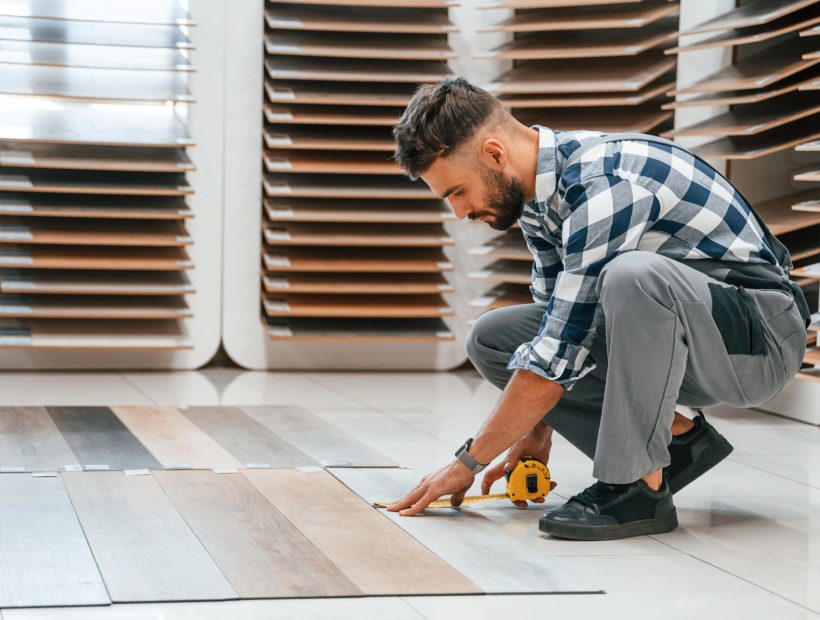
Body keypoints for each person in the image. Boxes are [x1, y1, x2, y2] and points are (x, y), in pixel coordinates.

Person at [385, 77, 810, 541]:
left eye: (457, 192)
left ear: (493, 154)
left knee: (633, 276)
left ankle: (636, 489)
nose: (460, 212)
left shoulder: (601, 183)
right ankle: (680, 443)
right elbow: (556, 329)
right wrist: (535, 431)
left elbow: (564, 347)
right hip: (683, 333)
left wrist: (467, 463)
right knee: (494, 339)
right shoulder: (536, 201)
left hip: (756, 341)